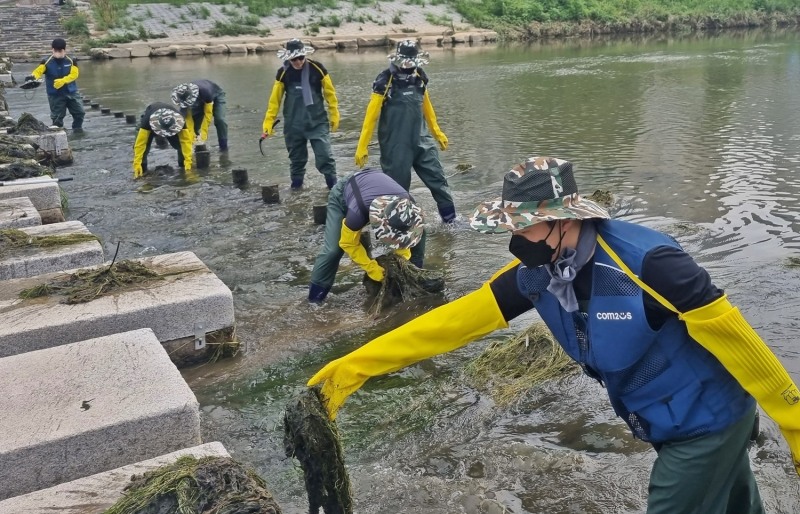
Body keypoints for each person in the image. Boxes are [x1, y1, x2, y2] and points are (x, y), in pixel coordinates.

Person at [308, 156, 800, 512]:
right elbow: (447, 326)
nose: (516, 240)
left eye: (527, 229)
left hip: (704, 421)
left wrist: (795, 427)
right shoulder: (539, 273)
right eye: (513, 228)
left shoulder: (650, 264)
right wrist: (354, 368)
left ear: (565, 221)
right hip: (660, 419)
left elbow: (745, 347)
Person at [355, 39, 456, 223]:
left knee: (439, 182)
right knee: (397, 192)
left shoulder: (420, 77)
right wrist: (362, 145)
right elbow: (371, 116)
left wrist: (437, 131)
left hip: (422, 141)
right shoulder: (385, 81)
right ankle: (399, 229)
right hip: (395, 147)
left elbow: (427, 105)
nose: (410, 68)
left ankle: (451, 222)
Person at [308, 167, 426, 303]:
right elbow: (347, 243)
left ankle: (414, 277)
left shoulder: (407, 205)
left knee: (421, 235)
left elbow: (407, 232)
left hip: (371, 183)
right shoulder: (358, 213)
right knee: (333, 251)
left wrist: (404, 259)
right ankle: (314, 299)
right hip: (344, 192)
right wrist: (371, 268)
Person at [262, 39, 339, 190]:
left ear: (305, 56)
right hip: (293, 125)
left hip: (317, 122)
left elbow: (330, 94)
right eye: (294, 59)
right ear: (288, 58)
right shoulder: (283, 73)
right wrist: (268, 122)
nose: (298, 62)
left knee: (325, 157)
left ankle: (334, 189)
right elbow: (274, 101)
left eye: (301, 58)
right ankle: (296, 190)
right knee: (296, 160)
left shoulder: (318, 69)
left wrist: (334, 114)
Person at [26, 38, 84, 130]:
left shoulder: (71, 60)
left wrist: (63, 80)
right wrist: (32, 77)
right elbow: (38, 71)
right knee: (57, 118)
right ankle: (59, 133)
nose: (57, 53)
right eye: (55, 50)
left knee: (80, 113)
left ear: (64, 50)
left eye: (60, 51)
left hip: (71, 92)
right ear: (52, 50)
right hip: (55, 94)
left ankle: (77, 131)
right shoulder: (46, 61)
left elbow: (74, 74)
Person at [132, 103, 193, 179]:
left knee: (180, 146)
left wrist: (188, 161)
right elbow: (140, 144)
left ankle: (183, 166)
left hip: (171, 125)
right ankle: (142, 171)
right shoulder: (146, 122)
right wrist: (137, 163)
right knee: (143, 150)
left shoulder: (180, 121)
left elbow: (185, 142)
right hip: (150, 122)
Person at [171, 80, 228, 151]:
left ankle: (223, 147)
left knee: (220, 120)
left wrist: (204, 135)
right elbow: (188, 120)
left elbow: (208, 115)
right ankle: (198, 146)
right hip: (199, 102)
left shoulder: (205, 91)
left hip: (215, 96)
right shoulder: (184, 97)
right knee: (193, 126)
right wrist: (192, 137)